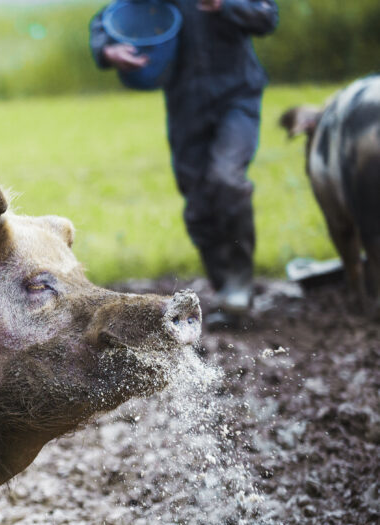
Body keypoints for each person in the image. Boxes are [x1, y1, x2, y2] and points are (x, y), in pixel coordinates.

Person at [90, 0, 278, 327]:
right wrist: (108, 51)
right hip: (186, 105)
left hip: (237, 97)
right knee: (198, 205)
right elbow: (108, 19)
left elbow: (266, 16)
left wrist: (224, 4)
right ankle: (228, 293)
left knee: (226, 179)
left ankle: (240, 282)